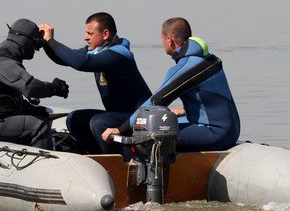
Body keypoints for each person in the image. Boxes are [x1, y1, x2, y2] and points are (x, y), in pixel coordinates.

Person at [102, 17, 240, 152]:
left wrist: (120, 129)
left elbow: (155, 102)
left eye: (162, 38)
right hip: (232, 130)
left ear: (169, 40)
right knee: (165, 125)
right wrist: (184, 110)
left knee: (149, 138)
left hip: (215, 133)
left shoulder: (186, 67)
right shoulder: (207, 58)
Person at [39, 12, 151, 154]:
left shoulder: (120, 54)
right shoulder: (96, 51)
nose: (85, 37)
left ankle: (119, 163)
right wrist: (45, 42)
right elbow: (64, 58)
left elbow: (82, 63)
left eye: (90, 33)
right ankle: (96, 157)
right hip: (118, 116)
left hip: (138, 118)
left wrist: (51, 41)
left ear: (105, 34)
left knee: (99, 122)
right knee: (75, 119)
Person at [0, 18, 70, 149]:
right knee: (39, 126)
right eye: (35, 44)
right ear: (25, 40)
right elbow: (30, 87)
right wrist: (53, 88)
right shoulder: (0, 61)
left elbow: (7, 96)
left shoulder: (5, 58)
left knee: (41, 115)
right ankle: (48, 167)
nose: (35, 50)